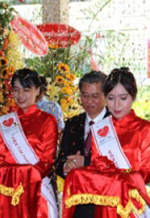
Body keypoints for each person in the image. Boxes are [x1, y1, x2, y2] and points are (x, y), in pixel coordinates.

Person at [89, 67, 150, 217]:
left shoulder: (144, 129)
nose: (117, 104)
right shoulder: (100, 129)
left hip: (133, 201)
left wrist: (122, 180)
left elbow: (147, 171)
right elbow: (95, 164)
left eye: (123, 98)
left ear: (133, 96)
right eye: (111, 98)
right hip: (106, 202)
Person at [0, 68, 58, 218]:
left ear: (37, 90)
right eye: (16, 90)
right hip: (6, 192)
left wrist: (24, 178)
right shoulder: (4, 123)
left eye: (26, 90)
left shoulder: (48, 121)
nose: (20, 95)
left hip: (36, 191)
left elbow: (46, 161)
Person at [55, 70, 108, 218]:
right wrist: (66, 167)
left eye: (95, 96)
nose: (89, 101)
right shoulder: (73, 123)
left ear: (105, 95)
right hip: (78, 203)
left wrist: (85, 162)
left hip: (106, 202)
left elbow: (118, 164)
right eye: (85, 95)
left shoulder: (115, 123)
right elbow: (60, 161)